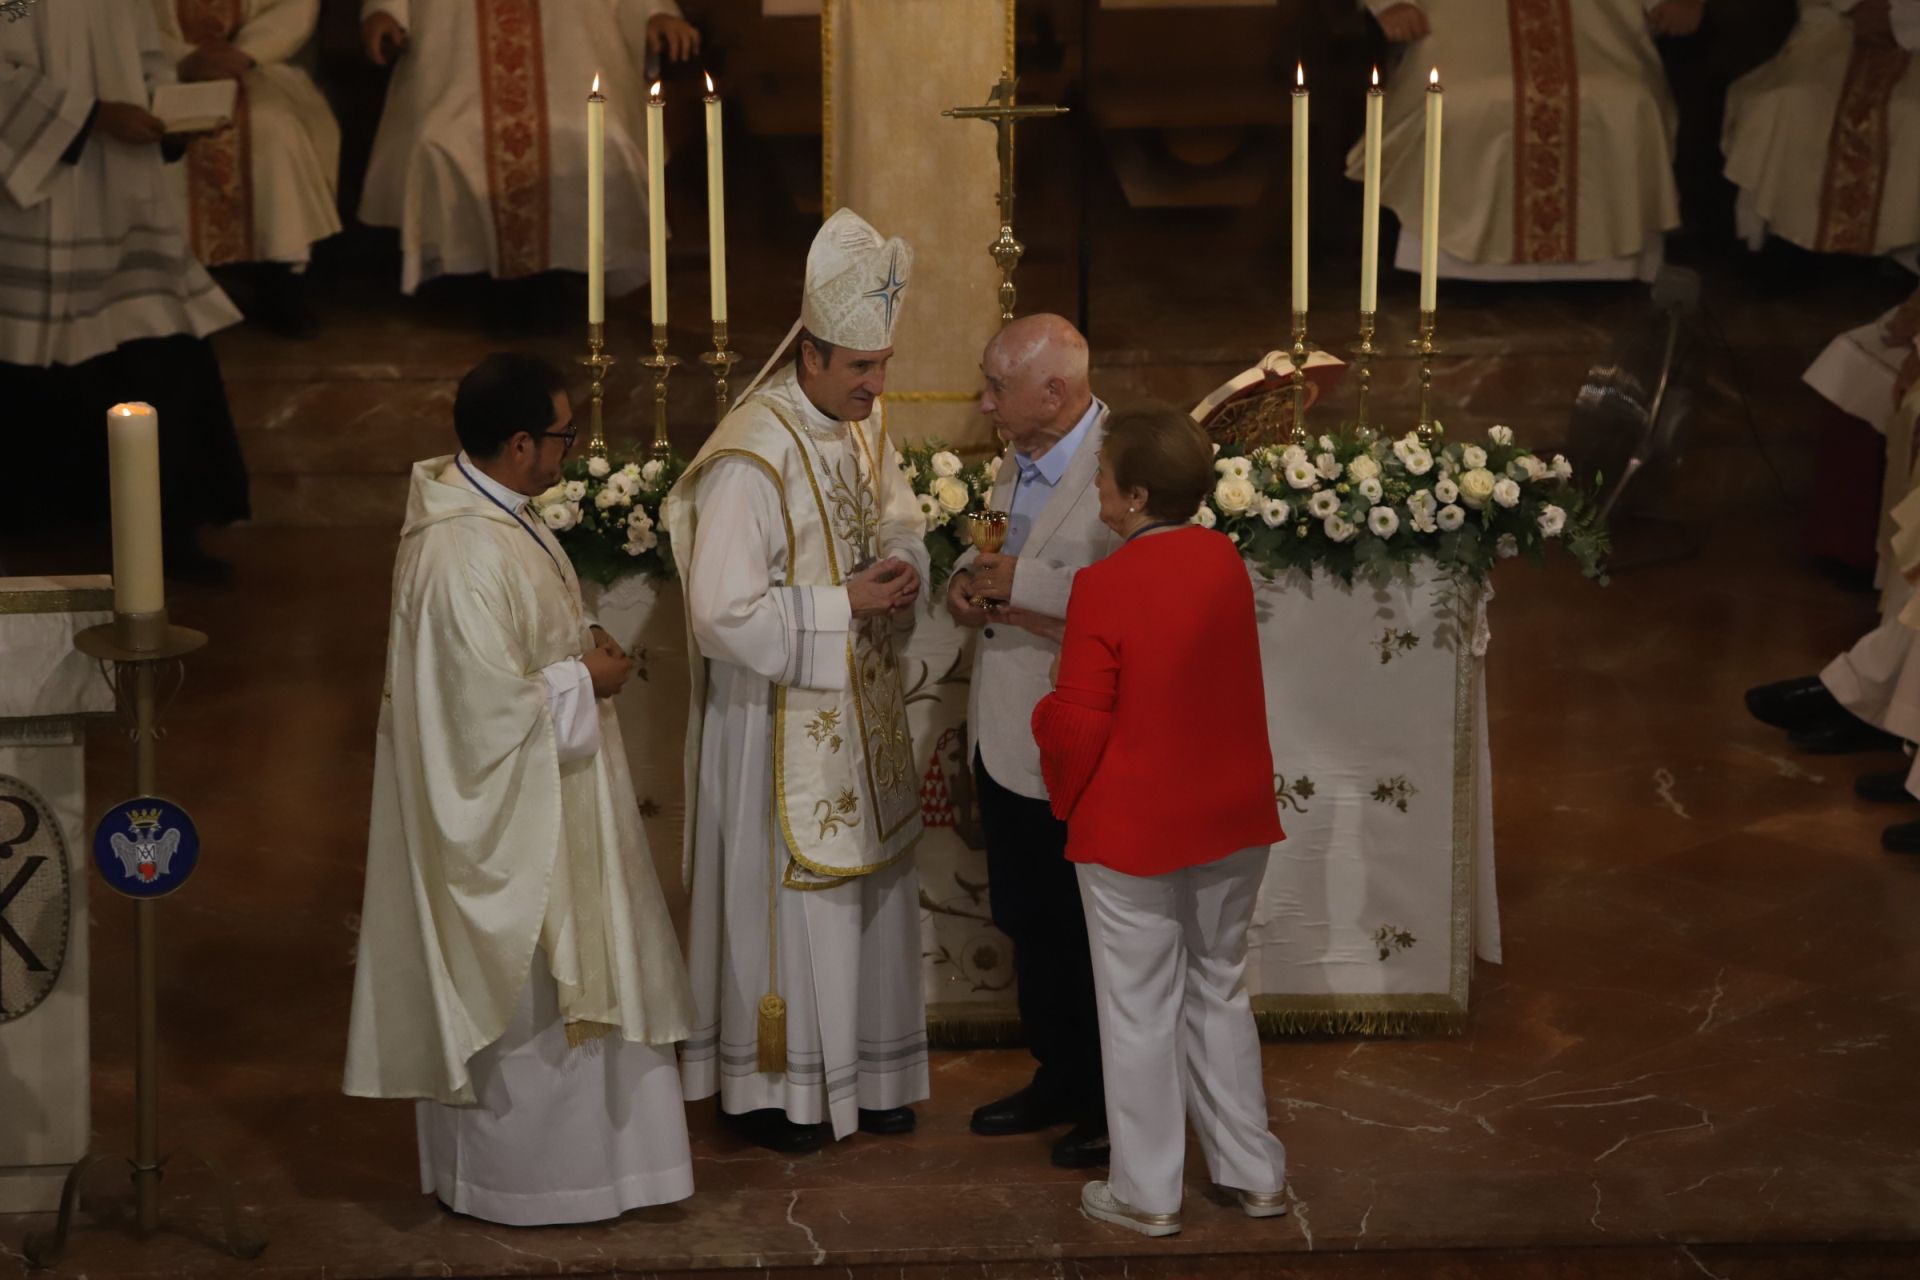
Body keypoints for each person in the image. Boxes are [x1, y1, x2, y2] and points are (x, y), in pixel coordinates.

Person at [343, 353, 695, 1226]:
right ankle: (532, 1183)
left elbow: (532, 635)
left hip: (566, 794)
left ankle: (611, 1171)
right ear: (518, 443)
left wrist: (583, 645)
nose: (570, 451)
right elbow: (471, 716)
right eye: (563, 436)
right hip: (514, 827)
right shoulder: (458, 552)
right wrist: (590, 680)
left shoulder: (503, 514)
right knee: (534, 999)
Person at [664, 208, 929, 1155]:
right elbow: (720, 613)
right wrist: (839, 606)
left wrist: (902, 566)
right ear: (810, 354)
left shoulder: (862, 424)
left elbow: (898, 512)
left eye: (883, 364)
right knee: (796, 902)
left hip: (860, 706)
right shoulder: (751, 454)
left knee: (872, 892)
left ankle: (874, 1071)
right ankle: (782, 1091)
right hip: (778, 715)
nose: (877, 384)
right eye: (860, 368)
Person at [1031, 404, 1288, 1238]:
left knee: (1139, 1007)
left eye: (1103, 477)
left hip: (1134, 829)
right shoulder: (1225, 560)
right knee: (1219, 988)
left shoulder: (1102, 585)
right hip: (1231, 819)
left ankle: (1146, 1192)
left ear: (1136, 495)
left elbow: (1077, 723)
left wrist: (1043, 741)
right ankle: (1255, 1176)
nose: (1097, 488)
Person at [944, 314, 1120, 1170]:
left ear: (1055, 390)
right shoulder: (1018, 455)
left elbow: (1146, 582)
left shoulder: (1127, 462)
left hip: (1084, 737)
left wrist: (1030, 583)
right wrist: (961, 585)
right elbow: (984, 548)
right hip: (1007, 732)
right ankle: (1058, 1076)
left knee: (1091, 928)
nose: (983, 403)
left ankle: (1111, 1101)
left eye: (996, 386)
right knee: (1030, 918)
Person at [0, 0, 249, 579]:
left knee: (157, 344)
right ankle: (38, 530)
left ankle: (168, 537)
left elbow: (147, 57)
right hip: (31, 201)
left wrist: (177, 115)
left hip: (120, 190)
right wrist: (90, 116)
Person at [357, 0, 701, 311]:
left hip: (572, 70)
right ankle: (469, 273)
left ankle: (569, 267)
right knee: (439, 139)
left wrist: (657, 13)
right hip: (459, 71)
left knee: (600, 136)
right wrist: (383, 12)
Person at [1356, 0, 1700, 283]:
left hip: (1595, 29)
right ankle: (1443, 262)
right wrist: (1390, 5)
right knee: (1458, 104)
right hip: (1463, 31)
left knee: (1627, 103)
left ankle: (1620, 264)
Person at [152, 0, 342, 336]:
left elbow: (293, 9)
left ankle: (282, 279)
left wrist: (245, 53)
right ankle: (160, 284)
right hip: (155, 70)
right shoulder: (24, 7)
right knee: (150, 133)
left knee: (274, 129)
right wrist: (180, 56)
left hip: (249, 67)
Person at [1722, 0, 1920, 261]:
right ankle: (1775, 244)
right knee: (1790, 99)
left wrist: (1900, 16)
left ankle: (1904, 248)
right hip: (1836, 27)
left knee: (1910, 112)